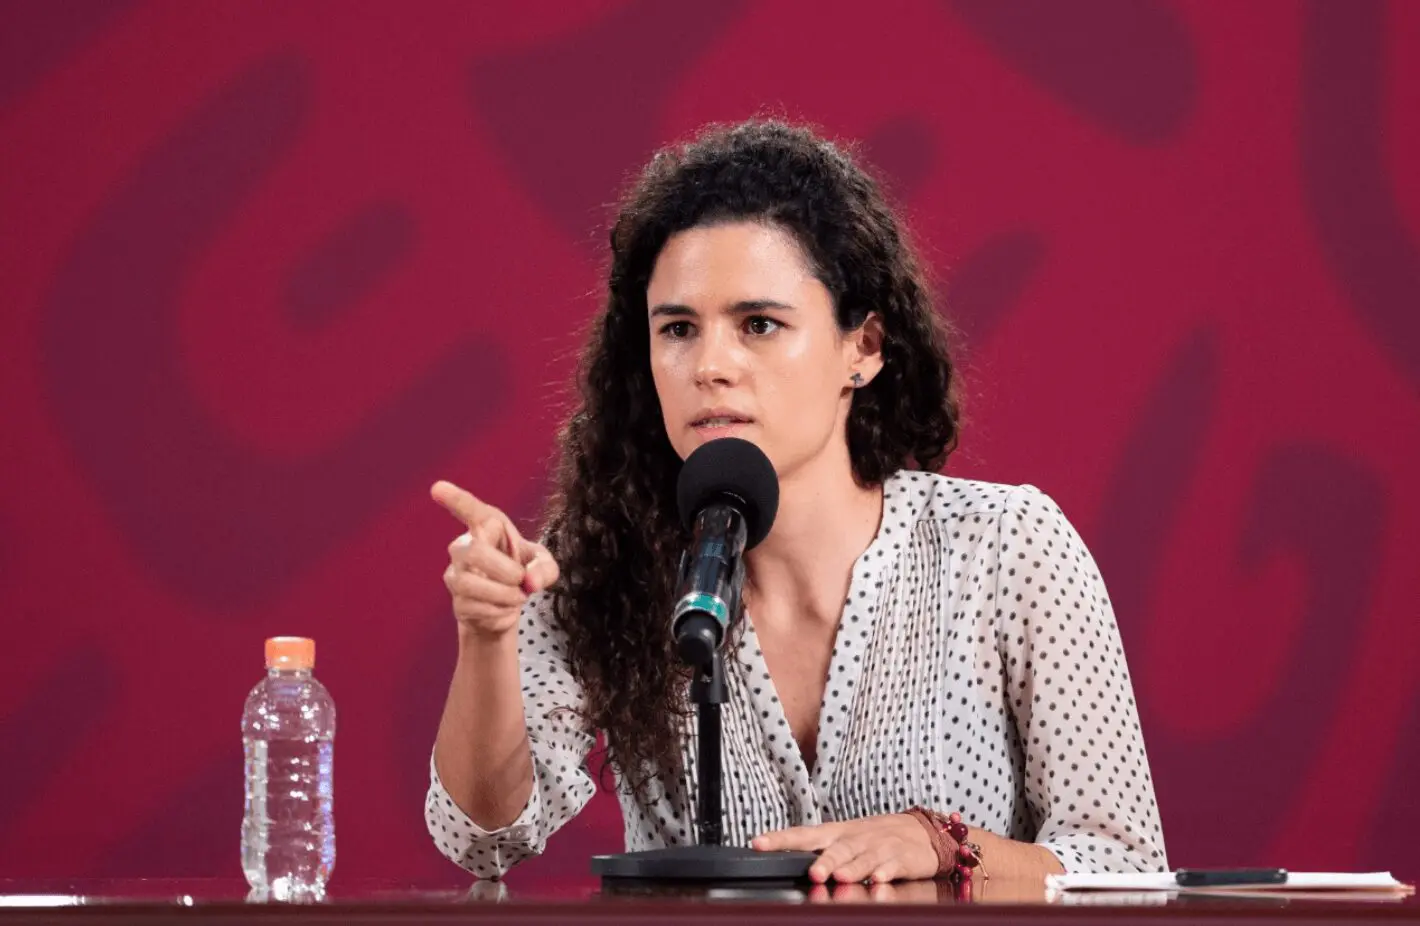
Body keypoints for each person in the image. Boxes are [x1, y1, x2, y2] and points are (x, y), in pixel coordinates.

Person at [425, 119, 1167, 883]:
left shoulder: (1008, 545)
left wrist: (946, 846)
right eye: (678, 328)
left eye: (759, 325)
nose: (711, 365)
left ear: (863, 348)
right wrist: (486, 636)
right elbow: (483, 841)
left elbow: (1127, 867)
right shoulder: (602, 562)